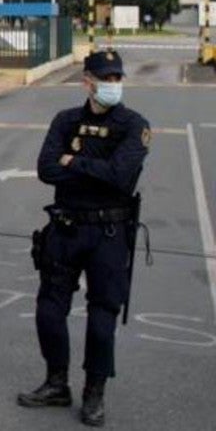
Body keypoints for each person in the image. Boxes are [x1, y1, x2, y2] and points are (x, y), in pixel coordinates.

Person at [17, 49, 150, 427]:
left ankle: (95, 393)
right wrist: (96, 170)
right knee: (48, 309)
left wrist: (73, 162)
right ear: (87, 81)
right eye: (104, 79)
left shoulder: (133, 124)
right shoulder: (66, 121)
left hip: (109, 233)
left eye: (116, 79)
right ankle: (56, 382)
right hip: (66, 228)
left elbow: (122, 177)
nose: (112, 85)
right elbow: (45, 169)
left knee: (101, 317)